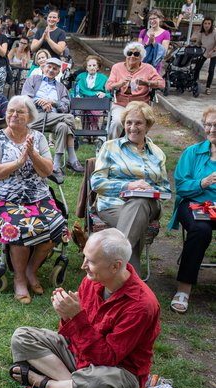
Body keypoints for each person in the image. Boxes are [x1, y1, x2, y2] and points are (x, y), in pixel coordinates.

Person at [9, 228, 160, 388]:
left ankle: (46, 384)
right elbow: (73, 336)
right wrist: (67, 317)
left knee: (96, 383)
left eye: (91, 261)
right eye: (85, 257)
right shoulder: (93, 281)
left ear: (115, 266)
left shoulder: (141, 305)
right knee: (21, 337)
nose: (83, 266)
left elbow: (108, 359)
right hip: (82, 354)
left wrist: (76, 317)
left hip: (117, 371)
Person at [0, 96, 66, 304]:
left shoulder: (38, 138)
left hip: (37, 196)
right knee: (19, 227)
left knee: (57, 225)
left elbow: (47, 170)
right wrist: (19, 162)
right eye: (11, 110)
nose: (14, 115)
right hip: (5, 197)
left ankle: (31, 270)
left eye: (20, 112)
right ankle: (20, 279)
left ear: (29, 116)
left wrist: (32, 154)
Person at [91, 101, 171, 275]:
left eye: (138, 123)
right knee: (136, 218)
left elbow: (166, 189)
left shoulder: (157, 153)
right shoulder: (110, 147)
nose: (132, 127)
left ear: (148, 125)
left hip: (150, 205)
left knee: (140, 201)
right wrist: (128, 186)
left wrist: (150, 188)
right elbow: (96, 183)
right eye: (129, 122)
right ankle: (129, 284)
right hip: (113, 204)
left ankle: (107, 271)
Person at [167, 106, 216, 314]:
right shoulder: (193, 153)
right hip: (194, 204)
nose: (212, 129)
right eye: (208, 124)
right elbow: (181, 185)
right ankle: (184, 289)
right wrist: (202, 183)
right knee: (200, 229)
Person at [22, 57, 83, 180]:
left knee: (63, 126)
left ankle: (55, 165)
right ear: (44, 67)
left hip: (55, 118)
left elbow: (65, 106)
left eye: (55, 68)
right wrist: (39, 101)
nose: (51, 70)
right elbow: (24, 98)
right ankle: (72, 157)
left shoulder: (61, 87)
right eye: (49, 67)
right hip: (35, 116)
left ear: (58, 72)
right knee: (69, 118)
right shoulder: (33, 79)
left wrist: (53, 103)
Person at [105, 42, 165, 140]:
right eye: (129, 53)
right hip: (121, 103)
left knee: (140, 124)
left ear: (141, 57)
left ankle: (136, 145)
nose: (132, 56)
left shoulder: (148, 68)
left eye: (136, 54)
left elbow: (162, 84)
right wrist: (120, 84)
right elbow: (108, 86)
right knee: (116, 122)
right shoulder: (117, 67)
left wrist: (147, 82)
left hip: (140, 105)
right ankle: (111, 147)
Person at [72, 55, 111, 134]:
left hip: (97, 101)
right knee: (82, 108)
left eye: (94, 65)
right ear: (86, 67)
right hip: (83, 100)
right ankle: (86, 135)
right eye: (89, 65)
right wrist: (76, 95)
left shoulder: (104, 78)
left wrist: (104, 94)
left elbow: (109, 93)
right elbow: (74, 90)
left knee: (96, 111)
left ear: (98, 67)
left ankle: (95, 133)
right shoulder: (80, 76)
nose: (92, 67)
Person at [194, 17, 215, 96]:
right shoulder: (200, 33)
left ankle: (208, 87)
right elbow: (198, 43)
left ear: (211, 24)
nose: (207, 25)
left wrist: (212, 51)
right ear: (203, 24)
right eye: (205, 23)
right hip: (204, 52)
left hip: (213, 52)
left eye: (209, 23)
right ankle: (195, 83)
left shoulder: (214, 32)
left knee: (211, 70)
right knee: (197, 67)